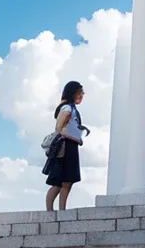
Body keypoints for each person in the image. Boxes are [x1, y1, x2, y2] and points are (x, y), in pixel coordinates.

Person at [44, 81, 89, 211]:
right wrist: (74, 138)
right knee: (59, 181)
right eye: (80, 92)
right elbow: (59, 128)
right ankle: (50, 210)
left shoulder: (72, 108)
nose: (82, 95)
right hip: (65, 146)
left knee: (68, 181)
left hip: (71, 146)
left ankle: (62, 209)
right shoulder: (67, 108)